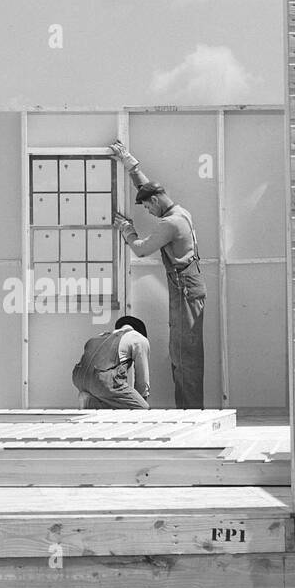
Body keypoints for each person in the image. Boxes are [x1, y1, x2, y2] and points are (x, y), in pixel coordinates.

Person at [108, 139, 205, 408]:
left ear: (155, 201)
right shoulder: (178, 210)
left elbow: (140, 249)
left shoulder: (169, 224)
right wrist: (129, 162)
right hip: (186, 285)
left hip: (185, 289)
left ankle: (190, 414)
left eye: (148, 207)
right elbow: (146, 188)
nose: (148, 212)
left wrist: (127, 228)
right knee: (182, 353)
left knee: (184, 357)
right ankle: (189, 409)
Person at [72, 315, 151, 409]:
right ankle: (91, 402)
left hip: (79, 379)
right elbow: (142, 379)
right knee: (142, 409)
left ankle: (89, 399)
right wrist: (140, 400)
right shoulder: (139, 338)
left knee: (111, 400)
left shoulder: (102, 335)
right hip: (104, 381)